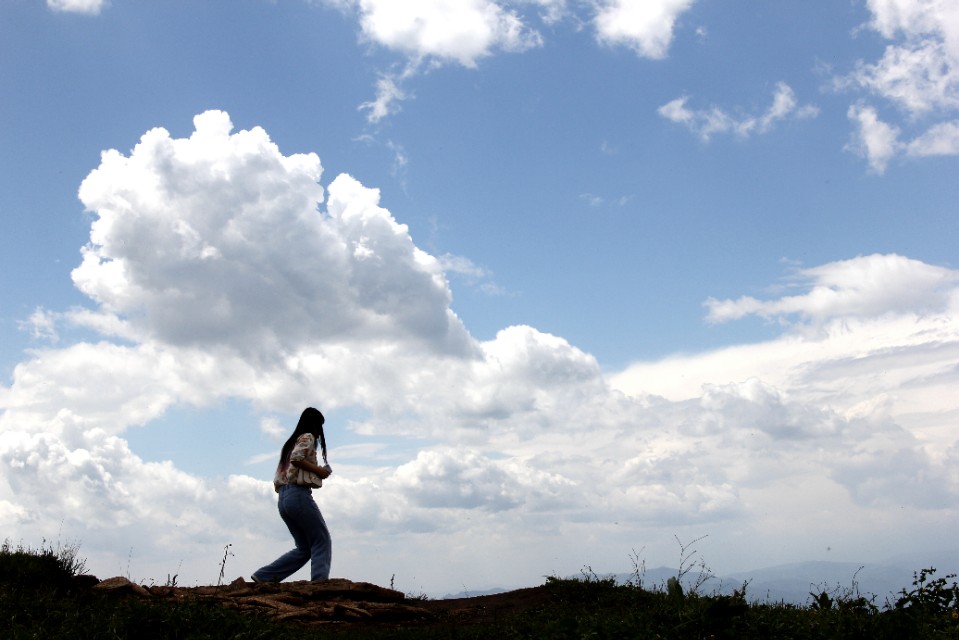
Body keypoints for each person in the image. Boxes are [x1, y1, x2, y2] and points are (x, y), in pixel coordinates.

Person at [252, 407, 333, 582]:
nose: (320, 432)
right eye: (319, 426)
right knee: (321, 539)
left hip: (283, 498)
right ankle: (320, 584)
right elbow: (297, 459)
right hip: (298, 494)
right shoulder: (307, 437)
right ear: (315, 424)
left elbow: (291, 462)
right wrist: (320, 470)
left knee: (304, 548)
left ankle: (264, 576)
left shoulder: (290, 443)